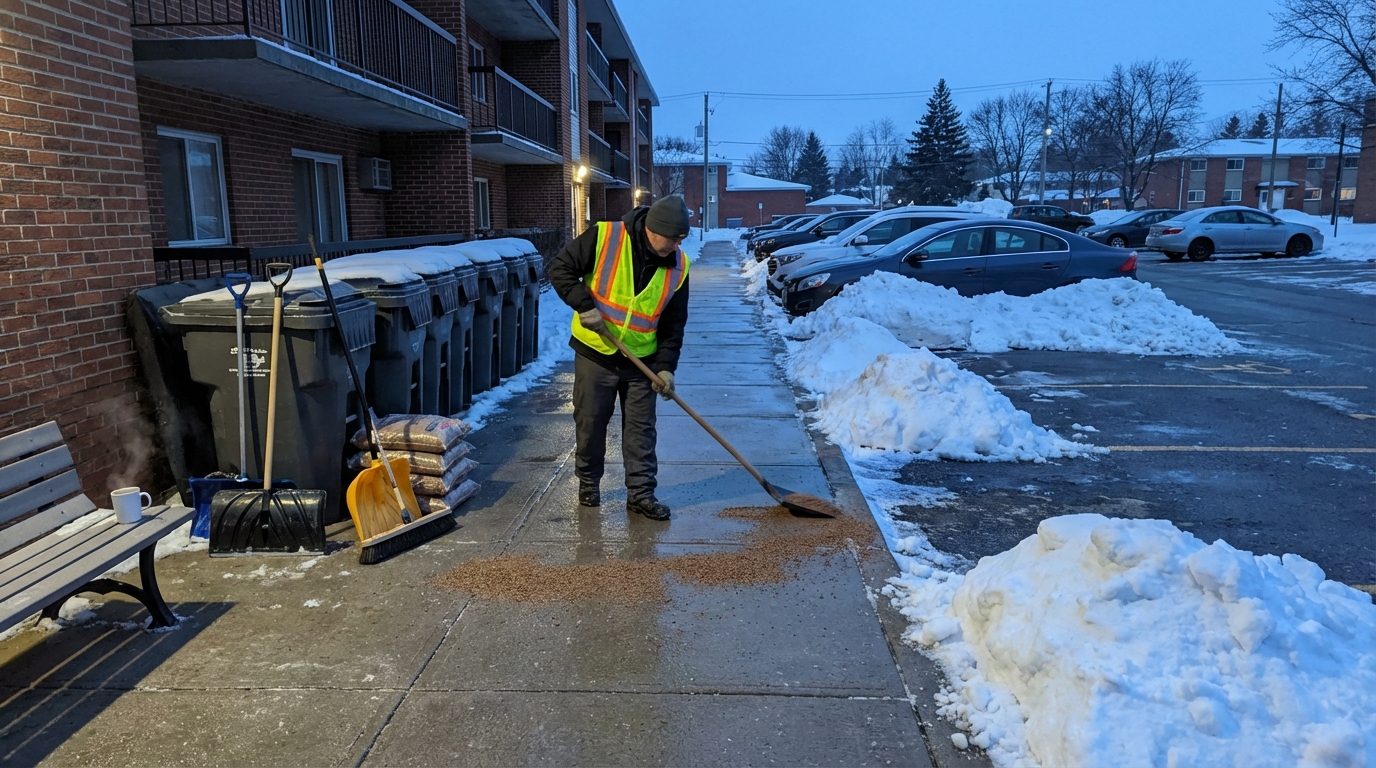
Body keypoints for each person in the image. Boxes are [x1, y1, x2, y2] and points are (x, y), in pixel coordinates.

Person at [548, 195, 692, 521]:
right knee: (591, 422)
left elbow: (673, 325)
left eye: (681, 240)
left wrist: (667, 368)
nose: (676, 245)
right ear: (653, 229)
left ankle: (641, 495)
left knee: (642, 431)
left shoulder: (679, 268)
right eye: (672, 238)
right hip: (596, 352)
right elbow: (560, 268)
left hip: (642, 361)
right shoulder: (605, 237)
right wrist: (585, 306)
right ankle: (588, 482)